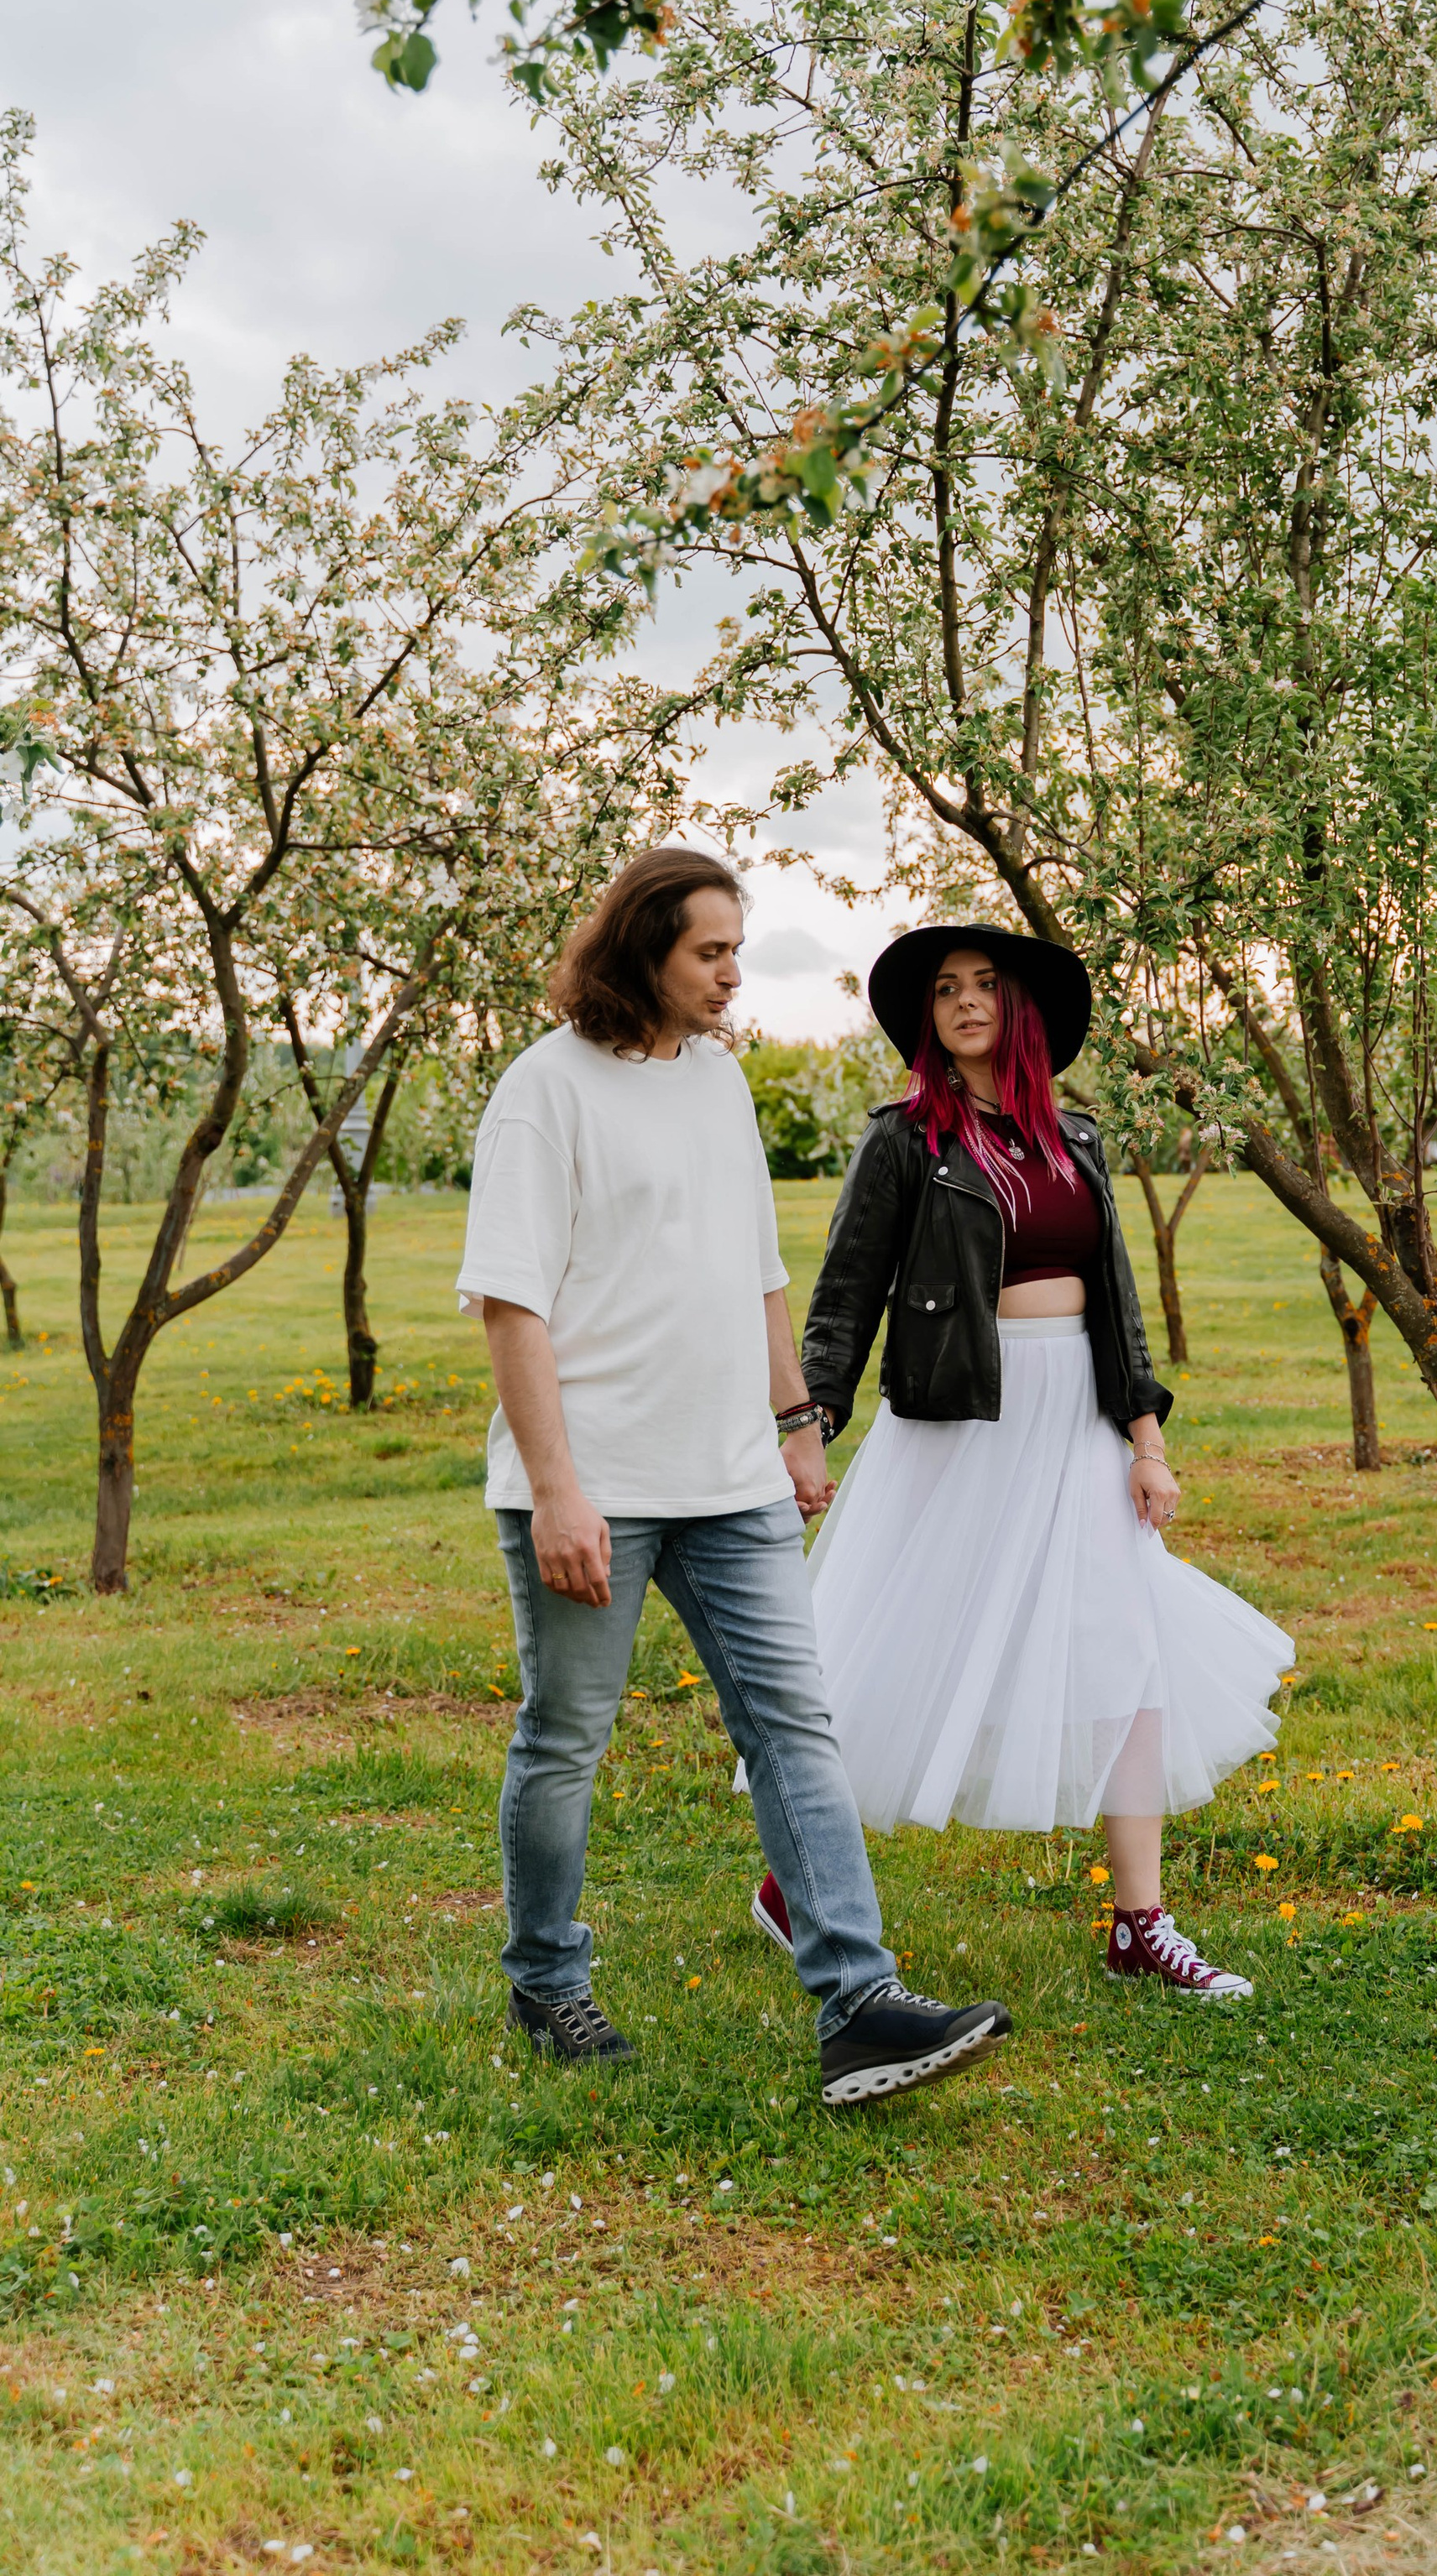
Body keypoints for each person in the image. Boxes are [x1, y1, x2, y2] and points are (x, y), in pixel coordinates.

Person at [457, 848, 1012, 2105]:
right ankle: (547, 1979)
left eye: (735, 951)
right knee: (567, 1740)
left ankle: (858, 2000)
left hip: (733, 1480)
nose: (730, 975)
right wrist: (556, 1490)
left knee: (793, 1727)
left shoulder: (716, 1080)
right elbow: (509, 1307)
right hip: (596, 1483)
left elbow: (764, 1270)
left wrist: (795, 1420)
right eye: (709, 951)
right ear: (643, 949)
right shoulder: (544, 1093)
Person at [753, 922, 1291, 2000]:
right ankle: (791, 1880)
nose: (961, 1004)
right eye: (944, 990)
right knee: (897, 1644)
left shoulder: (1074, 1140)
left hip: (1075, 1429)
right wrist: (805, 1424)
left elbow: (1118, 1312)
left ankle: (1140, 1923)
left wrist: (1147, 1441)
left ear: (1018, 1008)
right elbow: (844, 1296)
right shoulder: (905, 1137)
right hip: (956, 1423)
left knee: (1127, 1649)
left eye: (983, 987)